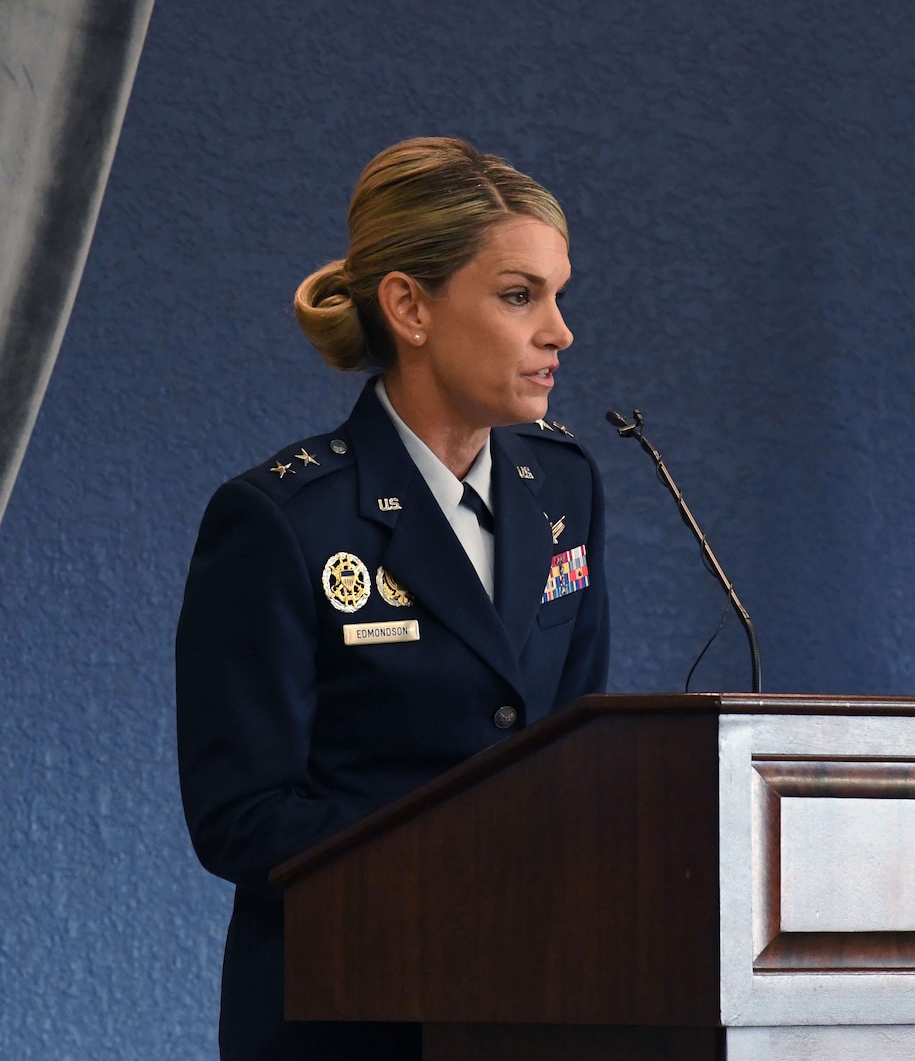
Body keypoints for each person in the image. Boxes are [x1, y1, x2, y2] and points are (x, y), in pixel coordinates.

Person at [175, 137, 611, 1061]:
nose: (559, 332)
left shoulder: (564, 486)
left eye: (558, 294)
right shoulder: (281, 519)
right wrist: (472, 850)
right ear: (410, 306)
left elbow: (578, 749)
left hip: (534, 1008)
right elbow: (241, 817)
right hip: (350, 1016)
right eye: (518, 295)